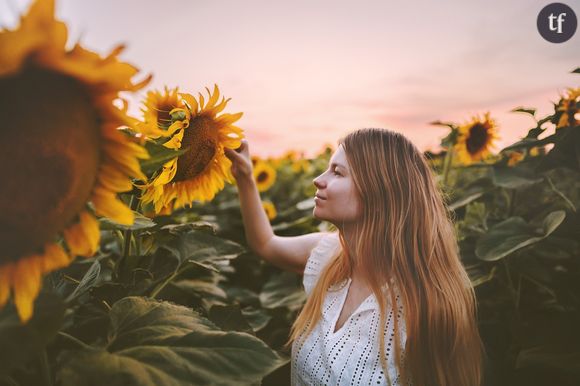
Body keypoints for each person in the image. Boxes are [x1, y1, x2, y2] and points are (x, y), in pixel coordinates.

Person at [224, 128, 484, 386]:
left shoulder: (425, 304)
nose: (318, 179)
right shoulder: (328, 257)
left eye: (337, 172)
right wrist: (245, 176)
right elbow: (266, 244)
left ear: (378, 190)